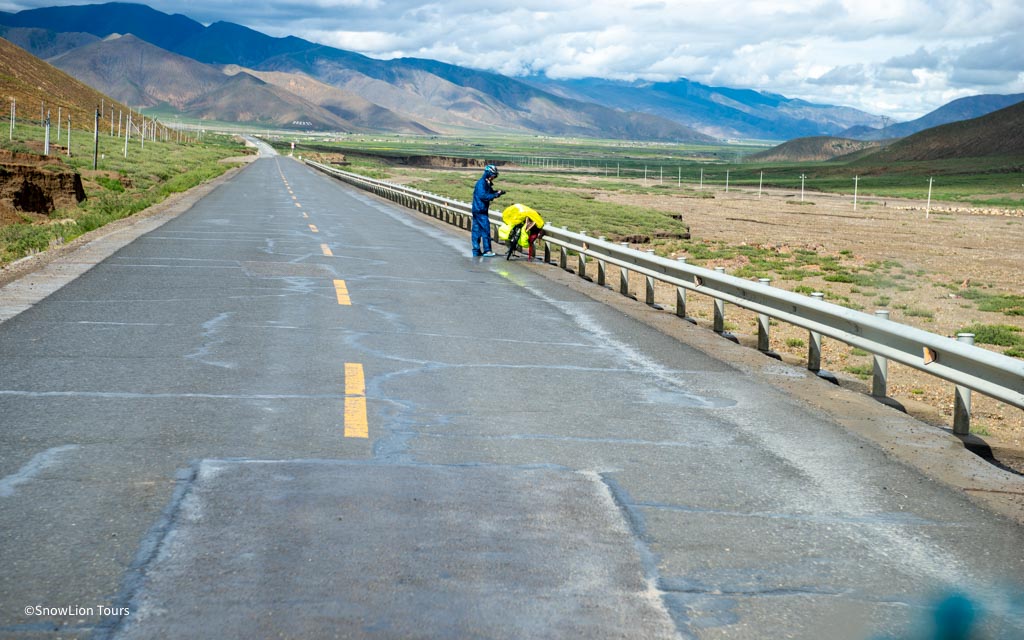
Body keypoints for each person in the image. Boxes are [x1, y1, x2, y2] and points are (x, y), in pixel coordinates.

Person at [471, 164, 505, 257]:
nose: (494, 177)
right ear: (489, 173)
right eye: (493, 175)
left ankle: (476, 251)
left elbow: (488, 193)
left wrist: (497, 193)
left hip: (478, 209)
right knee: (485, 230)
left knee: (476, 231)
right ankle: (487, 250)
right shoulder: (482, 183)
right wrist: (495, 195)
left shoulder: (485, 183)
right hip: (480, 210)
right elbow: (484, 196)